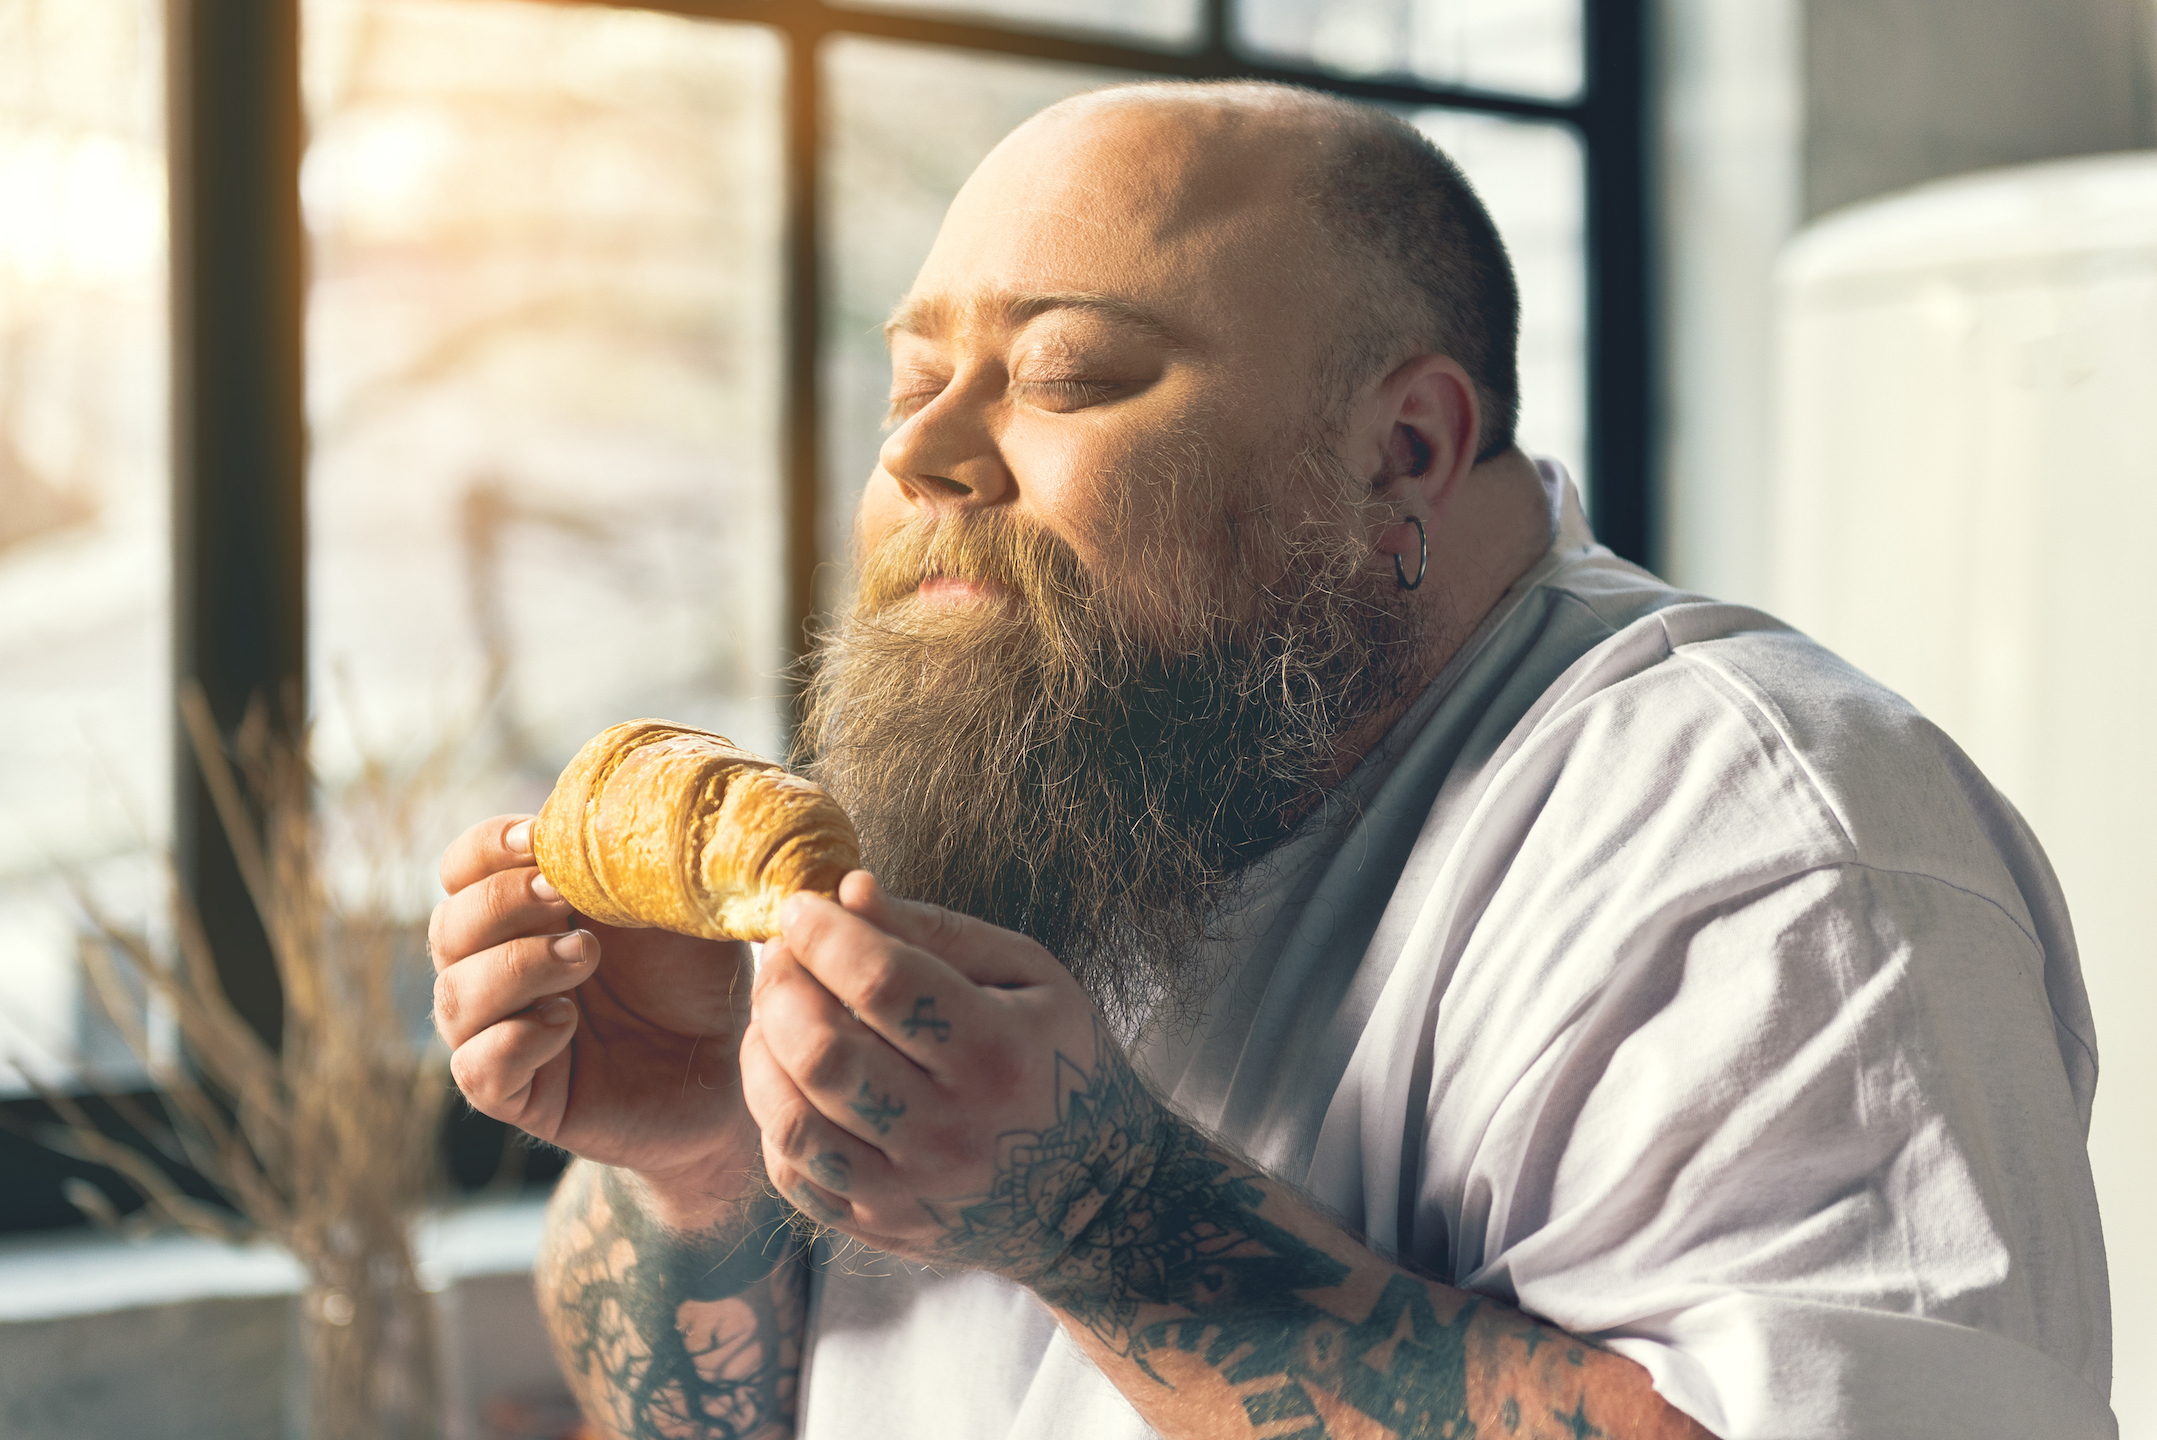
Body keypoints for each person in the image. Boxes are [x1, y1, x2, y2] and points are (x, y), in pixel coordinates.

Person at [427, 82, 2114, 1439]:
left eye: (1066, 374)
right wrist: (699, 1158)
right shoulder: (1062, 745)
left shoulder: (1772, 850)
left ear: (1401, 452)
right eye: (915, 379)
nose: (929, 451)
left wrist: (1103, 1224)